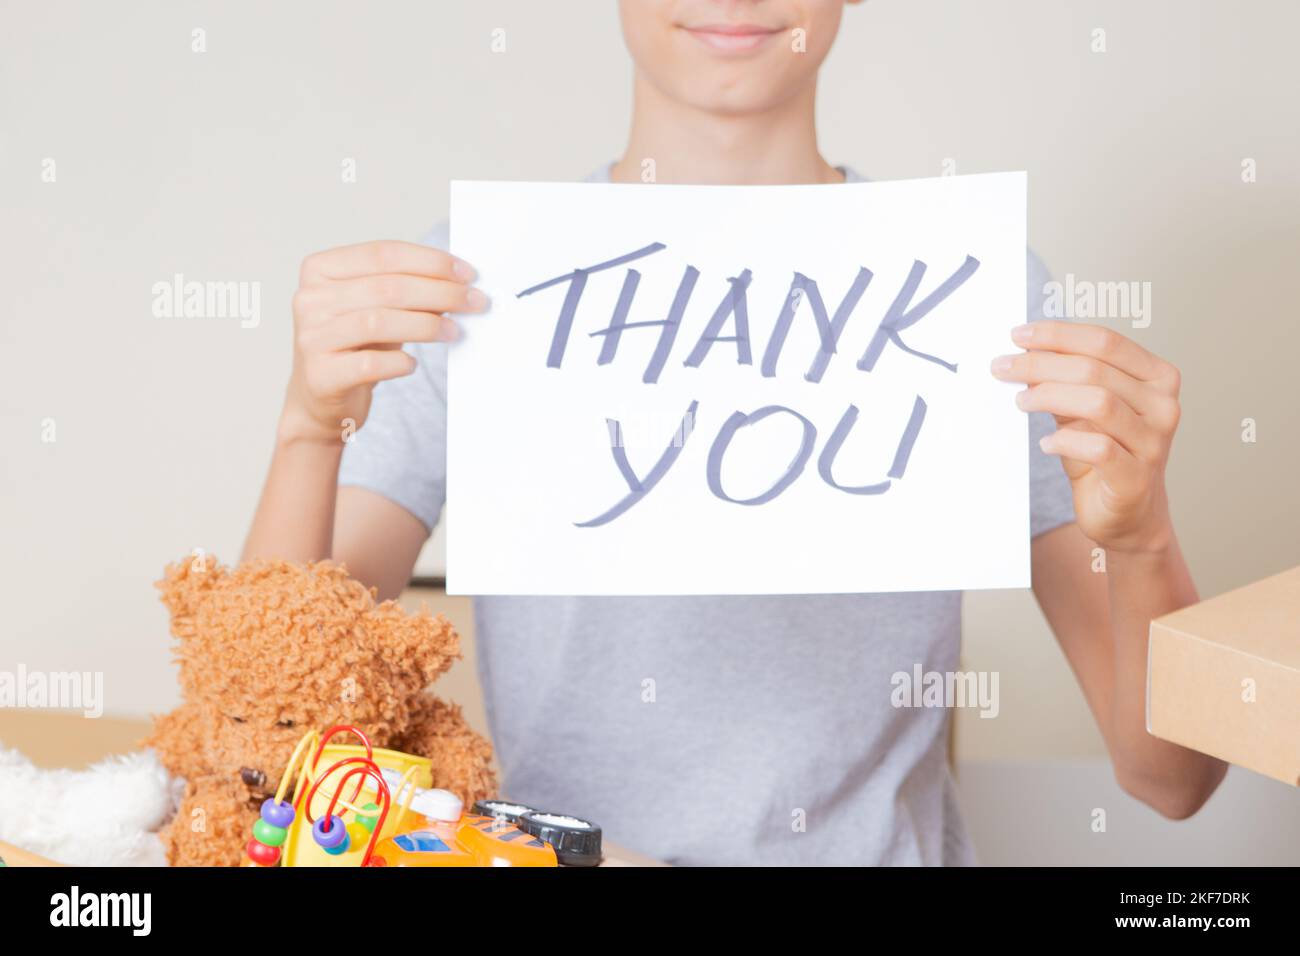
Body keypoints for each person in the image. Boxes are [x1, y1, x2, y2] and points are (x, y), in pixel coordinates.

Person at [244, 0, 1224, 865]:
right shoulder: (474, 287)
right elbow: (263, 737)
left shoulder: (976, 292)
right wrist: (307, 430)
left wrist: (1141, 538)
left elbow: (1172, 777)